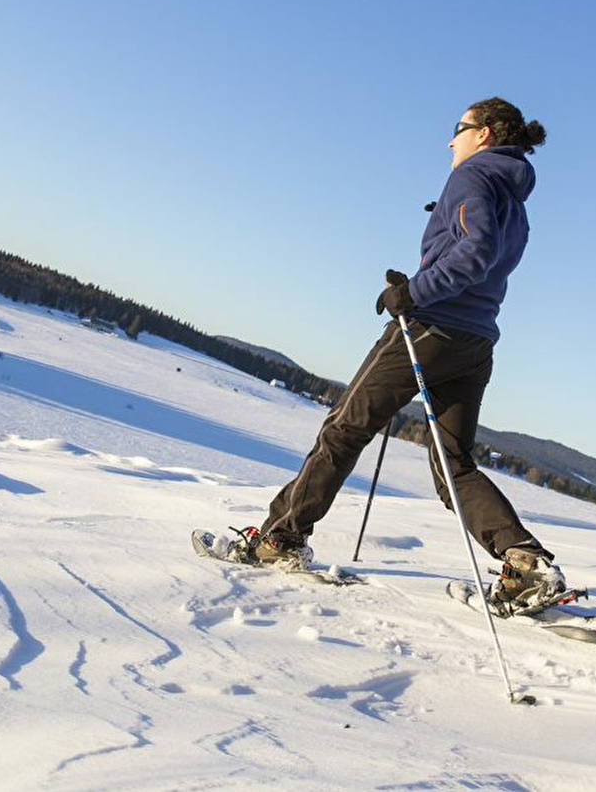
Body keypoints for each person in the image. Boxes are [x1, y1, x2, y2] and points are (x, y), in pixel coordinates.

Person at [239, 97, 566, 614]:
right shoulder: (515, 198)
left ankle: (279, 538)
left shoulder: (474, 176)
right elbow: (481, 258)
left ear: (484, 134)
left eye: (458, 128)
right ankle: (523, 561)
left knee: (345, 429)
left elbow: (475, 253)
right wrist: (421, 283)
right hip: (476, 343)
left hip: (431, 330)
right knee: (453, 466)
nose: (450, 139)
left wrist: (414, 293)